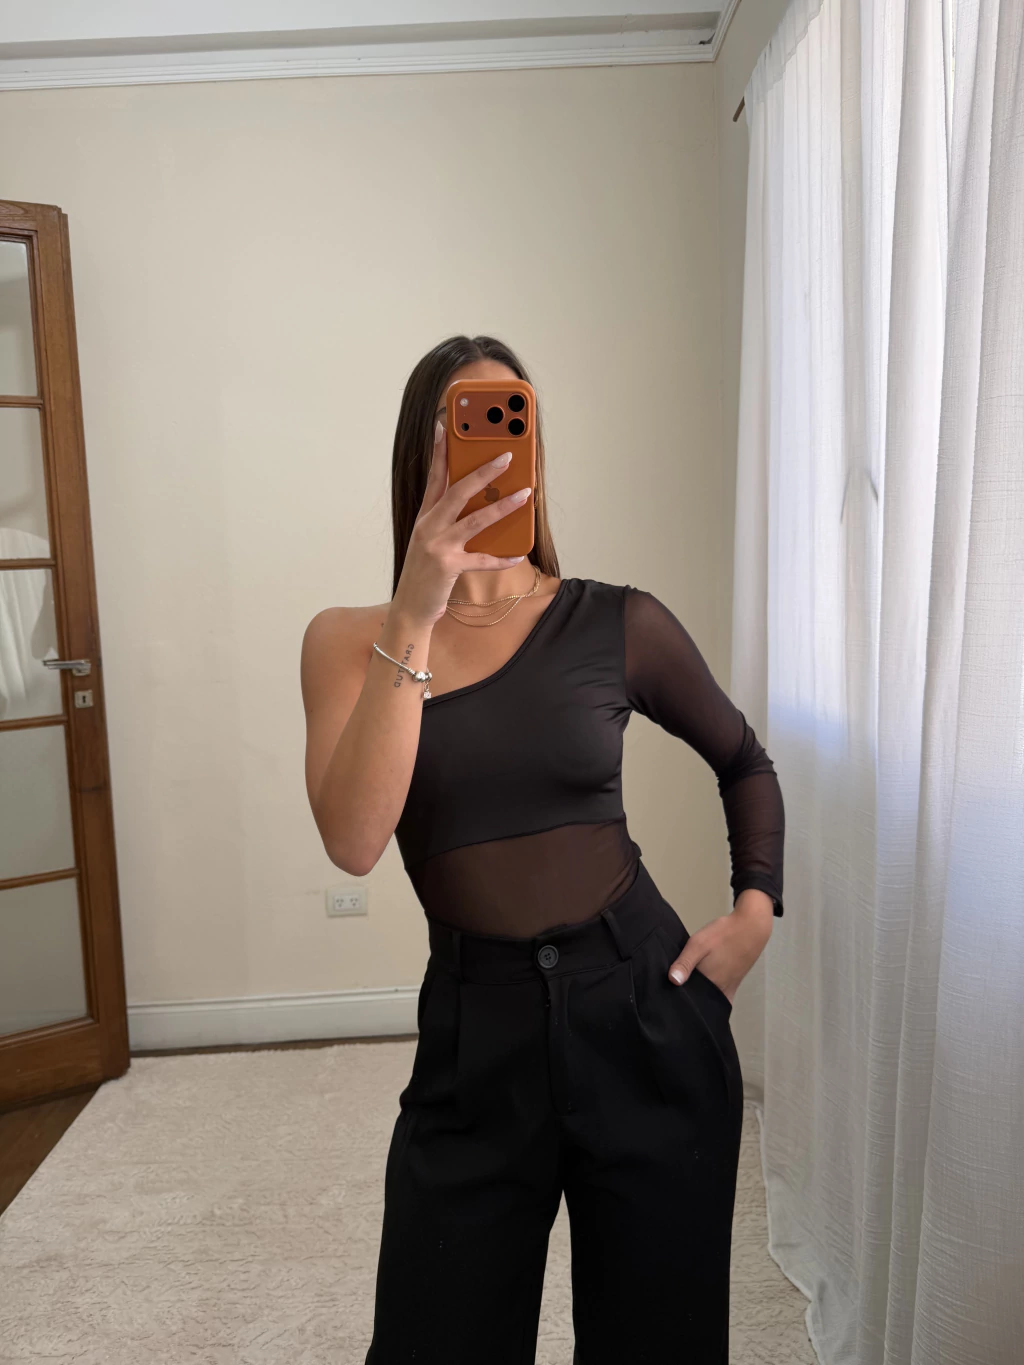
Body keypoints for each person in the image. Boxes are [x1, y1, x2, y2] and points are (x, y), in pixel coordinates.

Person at [300, 334, 785, 1365]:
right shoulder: (348, 640)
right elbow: (353, 839)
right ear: (421, 451)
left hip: (642, 1013)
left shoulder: (615, 622)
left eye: (506, 422)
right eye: (460, 427)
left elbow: (743, 758)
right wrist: (418, 608)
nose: (485, 451)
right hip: (475, 1039)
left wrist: (756, 909)